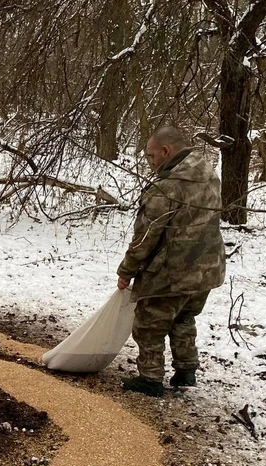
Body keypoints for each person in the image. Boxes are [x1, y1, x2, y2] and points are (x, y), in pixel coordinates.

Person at [116, 126, 226, 397]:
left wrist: (126, 270)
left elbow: (146, 236)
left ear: (166, 151)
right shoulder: (209, 175)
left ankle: (150, 379)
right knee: (184, 318)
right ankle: (186, 370)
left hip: (172, 271)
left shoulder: (166, 188)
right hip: (208, 268)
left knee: (149, 326)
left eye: (151, 156)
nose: (150, 163)